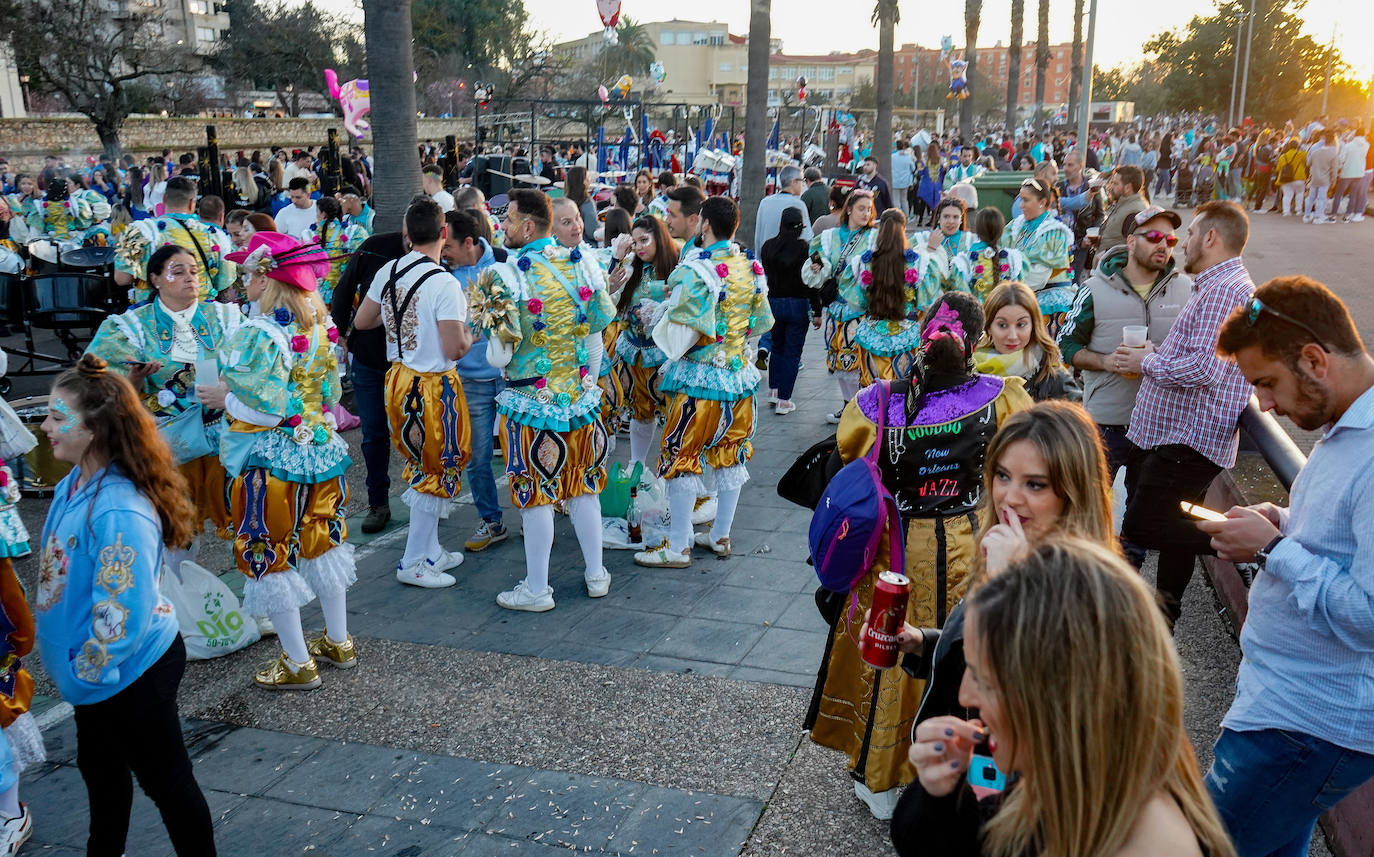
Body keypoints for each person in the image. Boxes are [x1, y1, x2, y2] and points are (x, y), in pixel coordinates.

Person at [807, 291, 1032, 820]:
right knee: (967, 654)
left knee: (890, 647)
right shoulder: (1004, 398)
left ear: (921, 335)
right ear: (976, 341)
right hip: (969, 546)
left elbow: (850, 456)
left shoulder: (874, 402)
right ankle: (970, 773)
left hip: (895, 551)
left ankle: (881, 779)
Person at [893, 539, 1237, 857]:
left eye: (987, 679)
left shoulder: (1151, 844)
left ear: (1064, 693)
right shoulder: (1052, 771)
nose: (965, 694)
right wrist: (940, 792)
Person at [1198, 276, 1374, 857]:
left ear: (1315, 360)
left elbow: (1369, 614)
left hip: (1307, 725)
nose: (1265, 406)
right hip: (1289, 710)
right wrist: (1285, 520)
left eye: (1267, 384)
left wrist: (1274, 550)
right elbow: (1340, 538)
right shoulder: (1345, 425)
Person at [35, 355, 217, 856]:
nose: (45, 426)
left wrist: (86, 671)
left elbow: (124, 609)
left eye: (56, 415)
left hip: (128, 672)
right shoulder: (75, 483)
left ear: (93, 429)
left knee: (167, 784)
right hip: (98, 679)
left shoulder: (117, 508)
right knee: (101, 773)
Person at [219, 232, 356, 690]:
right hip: (321, 452)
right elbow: (331, 395)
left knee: (267, 552)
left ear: (263, 278)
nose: (242, 283)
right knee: (323, 540)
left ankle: (298, 662)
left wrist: (225, 398)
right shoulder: (319, 327)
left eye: (247, 273)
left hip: (272, 460)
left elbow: (264, 408)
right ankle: (338, 641)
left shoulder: (258, 332)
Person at [469, 189, 616, 610]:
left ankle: (537, 588)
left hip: (529, 401)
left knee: (536, 494)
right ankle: (596, 574)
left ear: (528, 226)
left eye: (509, 219)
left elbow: (500, 355)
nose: (503, 226)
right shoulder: (582, 264)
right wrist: (586, 382)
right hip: (579, 400)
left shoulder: (505, 275)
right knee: (584, 487)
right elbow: (595, 336)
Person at [1114, 201, 1254, 628]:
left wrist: (1147, 363)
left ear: (1211, 237)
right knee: (1181, 523)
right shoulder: (1218, 285)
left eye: (1188, 234)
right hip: (1185, 432)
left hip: (1188, 436)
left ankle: (1246, 547)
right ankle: (1165, 616)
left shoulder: (1223, 290)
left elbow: (1203, 369)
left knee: (1142, 526)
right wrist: (1157, 353)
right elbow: (1199, 356)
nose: (1182, 244)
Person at [86, 244, 244, 576]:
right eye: (178, 271)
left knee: (243, 516)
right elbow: (94, 383)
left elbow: (252, 366)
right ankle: (175, 610)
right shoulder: (130, 327)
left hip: (228, 437)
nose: (189, 278)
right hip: (168, 445)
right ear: (155, 279)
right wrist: (132, 380)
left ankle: (257, 603)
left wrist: (228, 386)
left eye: (193, 271)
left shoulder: (226, 317)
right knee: (176, 528)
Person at [634, 196, 772, 567]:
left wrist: (654, 313)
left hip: (699, 380)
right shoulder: (750, 267)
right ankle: (721, 533)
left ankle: (679, 545)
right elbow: (761, 323)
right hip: (739, 379)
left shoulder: (696, 270)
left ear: (705, 225)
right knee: (730, 455)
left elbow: (680, 326)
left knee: (681, 455)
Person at [1059, 205, 1191, 566]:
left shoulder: (1186, 289)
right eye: (1153, 237)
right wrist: (1105, 361)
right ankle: (1084, 577)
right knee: (1087, 509)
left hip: (1161, 426)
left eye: (1170, 239)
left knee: (1138, 520)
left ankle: (1124, 588)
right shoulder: (1094, 289)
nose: (1163, 245)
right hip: (1106, 421)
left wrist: (1157, 356)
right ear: (1131, 241)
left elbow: (1199, 350)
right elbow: (1066, 344)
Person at [352, 199, 473, 587]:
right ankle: (413, 560)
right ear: (443, 234)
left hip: (398, 378)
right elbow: (455, 348)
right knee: (436, 467)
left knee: (424, 464)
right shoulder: (445, 283)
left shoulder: (388, 271)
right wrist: (473, 333)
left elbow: (362, 320)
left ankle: (431, 549)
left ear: (407, 234)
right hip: (433, 385)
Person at [442, 209, 510, 552]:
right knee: (478, 455)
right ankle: (492, 520)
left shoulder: (504, 262)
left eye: (449, 245)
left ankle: (538, 508)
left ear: (469, 242)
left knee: (523, 451)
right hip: (471, 380)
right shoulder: (445, 276)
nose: (443, 251)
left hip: (512, 377)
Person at [331, 230, 405, 535]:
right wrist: (343, 333)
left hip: (411, 362)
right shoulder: (375, 246)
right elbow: (343, 290)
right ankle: (378, 503)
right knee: (374, 434)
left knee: (420, 430)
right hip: (369, 358)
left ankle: (429, 495)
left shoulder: (433, 254)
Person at [802, 189, 878, 422]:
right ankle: (848, 405)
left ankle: (865, 405)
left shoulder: (875, 237)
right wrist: (818, 266)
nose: (865, 213)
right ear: (849, 210)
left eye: (869, 209)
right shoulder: (830, 236)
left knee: (864, 361)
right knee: (841, 362)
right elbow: (817, 256)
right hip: (837, 307)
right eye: (861, 209)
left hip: (864, 309)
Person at [607, 215, 677, 468]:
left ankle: (671, 472)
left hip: (666, 357)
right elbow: (606, 298)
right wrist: (617, 258)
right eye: (635, 242)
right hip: (633, 354)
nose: (639, 247)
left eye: (644, 240)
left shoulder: (677, 267)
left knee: (672, 414)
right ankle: (637, 467)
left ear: (659, 238)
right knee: (640, 412)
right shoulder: (630, 267)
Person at [113, 176, 238, 304]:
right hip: (202, 317)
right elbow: (225, 283)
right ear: (192, 203)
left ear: (163, 200)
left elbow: (121, 278)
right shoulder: (216, 235)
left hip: (155, 316)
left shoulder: (139, 231)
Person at [848, 209, 923, 386]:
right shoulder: (917, 262)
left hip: (872, 332)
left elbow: (857, 303)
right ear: (903, 230)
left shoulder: (865, 261)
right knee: (904, 387)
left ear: (880, 231)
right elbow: (925, 302)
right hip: (908, 333)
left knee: (874, 389)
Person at [761, 206, 821, 415]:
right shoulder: (807, 248)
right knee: (792, 353)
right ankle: (784, 400)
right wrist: (817, 310)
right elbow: (813, 282)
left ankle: (774, 390)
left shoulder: (768, 247)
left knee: (777, 348)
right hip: (798, 303)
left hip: (773, 302)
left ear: (780, 225)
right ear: (801, 228)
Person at [974, 282, 1077, 401]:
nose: (1012, 336)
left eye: (1021, 324)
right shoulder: (970, 371)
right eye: (1002, 325)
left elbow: (1076, 414)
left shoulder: (1050, 371)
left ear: (1033, 325)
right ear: (988, 327)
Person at [1002, 178, 1075, 335]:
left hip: (1049, 304)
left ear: (1042, 202)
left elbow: (1040, 276)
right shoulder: (1016, 226)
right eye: (1020, 199)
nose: (1021, 205)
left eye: (1026, 200)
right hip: (1022, 295)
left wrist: (1007, 286)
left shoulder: (1053, 231)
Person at [911, 196, 976, 307]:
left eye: (955, 217)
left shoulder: (971, 240)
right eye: (946, 216)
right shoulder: (922, 238)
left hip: (963, 305)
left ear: (961, 219)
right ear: (938, 218)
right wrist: (930, 248)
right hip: (930, 305)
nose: (950, 221)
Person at [304, 196, 367, 306]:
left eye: (317, 212)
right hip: (345, 289)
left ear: (323, 214)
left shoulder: (310, 234)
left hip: (318, 293)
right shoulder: (351, 231)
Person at [953, 206, 1022, 300]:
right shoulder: (1013, 259)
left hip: (976, 313)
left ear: (977, 229)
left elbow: (962, 299)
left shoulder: (963, 262)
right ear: (1001, 230)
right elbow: (1018, 296)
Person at [753, 165, 813, 253]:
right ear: (793, 182)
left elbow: (758, 236)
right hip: (790, 261)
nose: (803, 184)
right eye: (802, 180)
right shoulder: (799, 204)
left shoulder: (765, 202)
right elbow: (807, 238)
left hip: (766, 260)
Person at [1096, 165, 1148, 253]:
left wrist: (1105, 253)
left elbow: (1133, 249)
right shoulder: (1124, 203)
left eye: (1115, 183)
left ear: (1127, 187)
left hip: (1111, 264)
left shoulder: (1135, 212)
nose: (1110, 187)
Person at [1303, 129, 1338, 224]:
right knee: (1321, 198)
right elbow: (1334, 170)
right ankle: (1318, 217)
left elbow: (1308, 163)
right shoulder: (1333, 154)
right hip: (1325, 179)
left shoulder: (1315, 152)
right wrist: (1333, 181)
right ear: (1331, 142)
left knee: (1311, 197)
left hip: (1314, 178)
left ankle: (1307, 216)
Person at [1273, 138, 1308, 217]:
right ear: (1297, 146)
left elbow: (1278, 168)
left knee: (1287, 195)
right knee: (1300, 194)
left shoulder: (1283, 157)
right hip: (1299, 178)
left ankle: (1286, 211)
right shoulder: (1302, 154)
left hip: (1286, 179)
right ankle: (1298, 210)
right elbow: (1307, 163)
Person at [891, 140, 917, 218]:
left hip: (895, 180)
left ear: (896, 147)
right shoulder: (908, 157)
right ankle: (906, 216)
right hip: (905, 180)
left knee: (896, 200)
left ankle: (897, 215)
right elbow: (913, 168)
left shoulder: (892, 157)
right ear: (903, 147)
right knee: (904, 199)